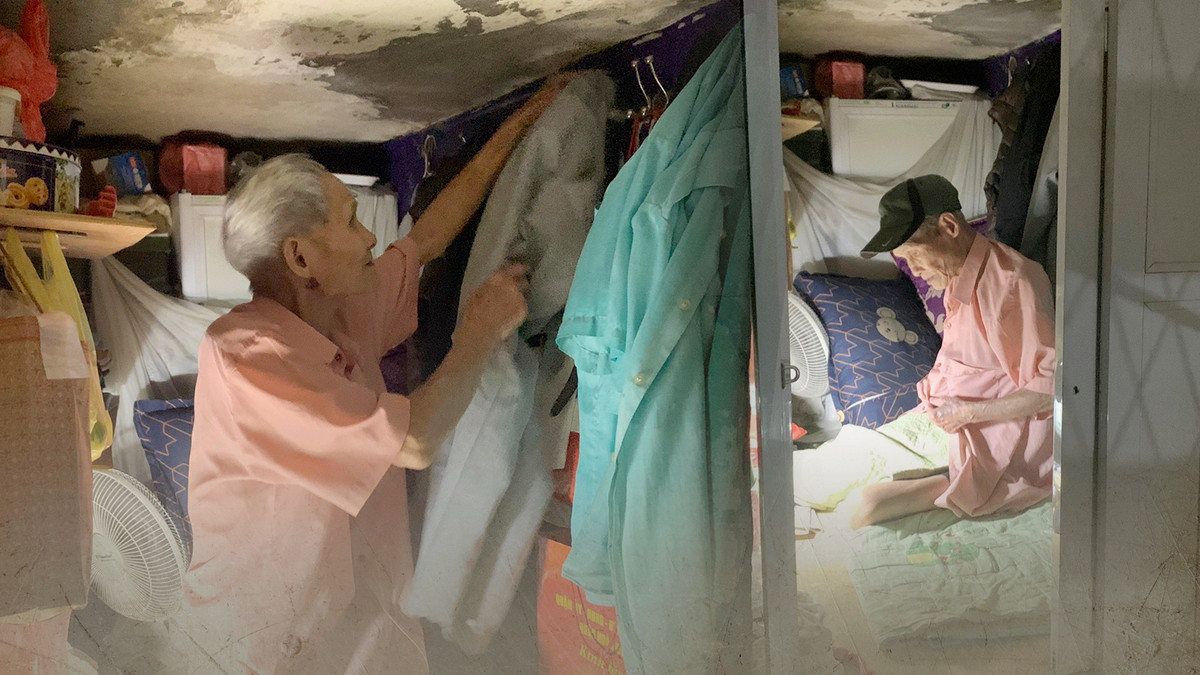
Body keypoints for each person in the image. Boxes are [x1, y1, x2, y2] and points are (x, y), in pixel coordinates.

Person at [180, 76, 573, 673]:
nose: (369, 237)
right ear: (301, 257)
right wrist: (478, 333)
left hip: (363, 626)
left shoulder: (339, 310)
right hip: (268, 646)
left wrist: (521, 125)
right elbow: (413, 443)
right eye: (350, 222)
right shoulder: (247, 359)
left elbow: (426, 241)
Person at [850, 174, 1055, 529]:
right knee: (849, 463)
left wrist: (969, 414)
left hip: (993, 439)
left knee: (867, 506)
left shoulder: (1013, 282)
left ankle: (955, 482)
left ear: (949, 226)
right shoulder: (957, 275)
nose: (914, 270)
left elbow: (1051, 389)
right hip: (950, 418)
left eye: (914, 255)